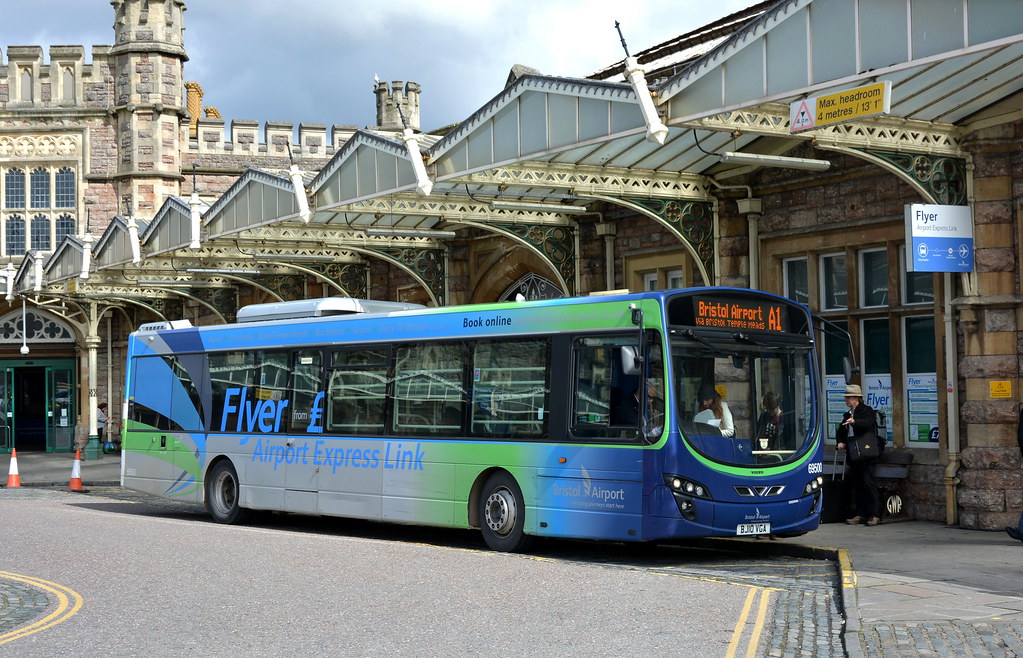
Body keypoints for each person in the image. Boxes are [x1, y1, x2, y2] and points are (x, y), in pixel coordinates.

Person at [837, 384, 881, 527]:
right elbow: (840, 431)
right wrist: (841, 442)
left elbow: (868, 424)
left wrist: (855, 421)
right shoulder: (847, 414)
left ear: (856, 398)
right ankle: (860, 514)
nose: (846, 400)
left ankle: (874, 514)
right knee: (858, 484)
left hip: (867, 454)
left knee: (868, 483)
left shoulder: (866, 411)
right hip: (854, 455)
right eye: (846, 398)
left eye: (848, 398)